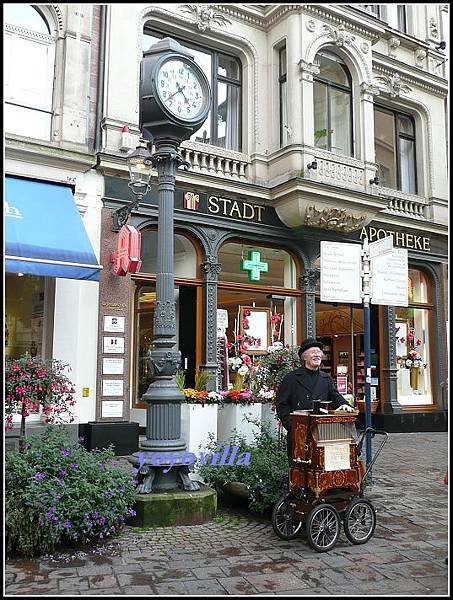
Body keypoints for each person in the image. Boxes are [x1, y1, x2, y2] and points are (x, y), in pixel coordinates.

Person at [276, 337, 355, 461]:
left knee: (319, 466)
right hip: (299, 432)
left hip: (321, 432)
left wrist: (344, 404)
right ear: (304, 357)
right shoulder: (291, 378)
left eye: (319, 352)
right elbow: (281, 404)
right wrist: (291, 426)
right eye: (313, 352)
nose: (317, 355)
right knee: (299, 468)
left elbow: (336, 397)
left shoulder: (326, 378)